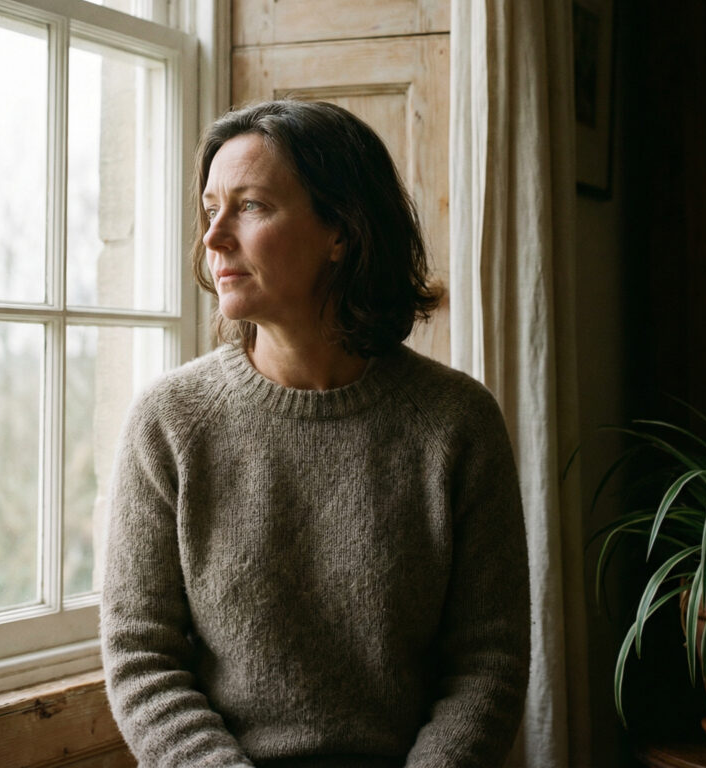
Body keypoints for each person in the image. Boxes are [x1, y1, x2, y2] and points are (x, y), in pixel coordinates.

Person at [100, 99, 530, 768]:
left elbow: (489, 662)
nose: (213, 239)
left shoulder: (457, 423)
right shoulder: (169, 423)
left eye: (249, 207)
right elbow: (141, 658)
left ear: (342, 231)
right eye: (210, 209)